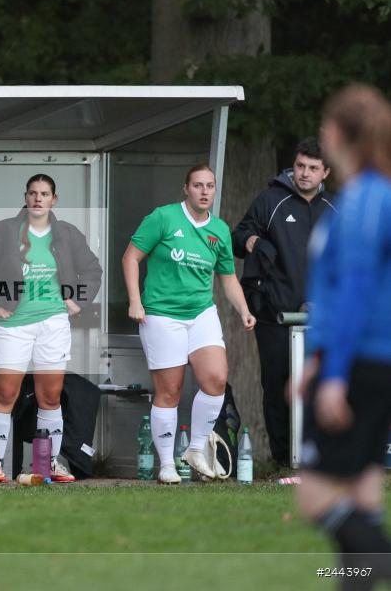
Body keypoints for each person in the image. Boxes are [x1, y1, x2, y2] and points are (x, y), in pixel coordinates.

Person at [296, 84, 391, 583]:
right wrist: (316, 361)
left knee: (315, 495)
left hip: (360, 363)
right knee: (362, 495)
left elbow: (355, 291)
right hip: (364, 358)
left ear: (334, 135)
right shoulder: (370, 196)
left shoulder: (364, 201)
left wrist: (332, 373)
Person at [122, 165, 255, 484]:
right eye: (198, 185)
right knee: (170, 390)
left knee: (216, 379)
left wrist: (243, 310)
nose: (205, 191)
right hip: (161, 314)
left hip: (200, 313)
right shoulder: (163, 218)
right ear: (186, 189)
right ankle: (167, 464)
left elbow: (227, 279)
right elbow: (130, 258)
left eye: (210, 186)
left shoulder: (220, 230)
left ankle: (196, 449)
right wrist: (135, 301)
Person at [0, 174, 102, 483]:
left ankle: (51, 464)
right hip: (14, 324)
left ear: (54, 199)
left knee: (51, 396)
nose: (38, 199)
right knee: (5, 393)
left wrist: (79, 301)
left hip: (54, 322)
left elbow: (92, 270)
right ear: (26, 197)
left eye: (44, 194)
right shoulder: (3, 231)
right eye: (32, 193)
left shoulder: (66, 233)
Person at [232, 137, 335, 467]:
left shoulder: (335, 210)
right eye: (300, 166)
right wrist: (251, 241)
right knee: (276, 387)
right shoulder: (270, 200)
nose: (304, 174)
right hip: (273, 314)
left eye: (313, 169)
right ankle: (282, 461)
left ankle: (314, 459)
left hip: (320, 319)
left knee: (317, 389)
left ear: (326, 173)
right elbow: (237, 236)